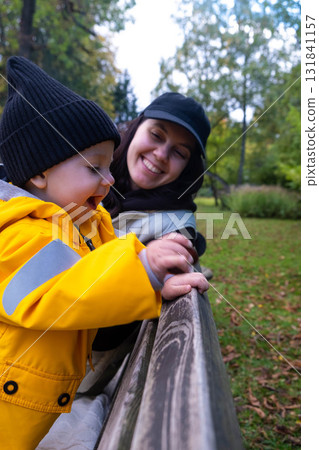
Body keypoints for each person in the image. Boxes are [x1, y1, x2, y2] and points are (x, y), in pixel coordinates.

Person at [0, 57, 208, 449]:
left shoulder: (83, 218)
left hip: (37, 395)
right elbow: (57, 293)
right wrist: (141, 267)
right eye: (95, 168)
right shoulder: (18, 232)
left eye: (107, 167)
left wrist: (149, 284)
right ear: (40, 173)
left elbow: (100, 268)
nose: (109, 180)